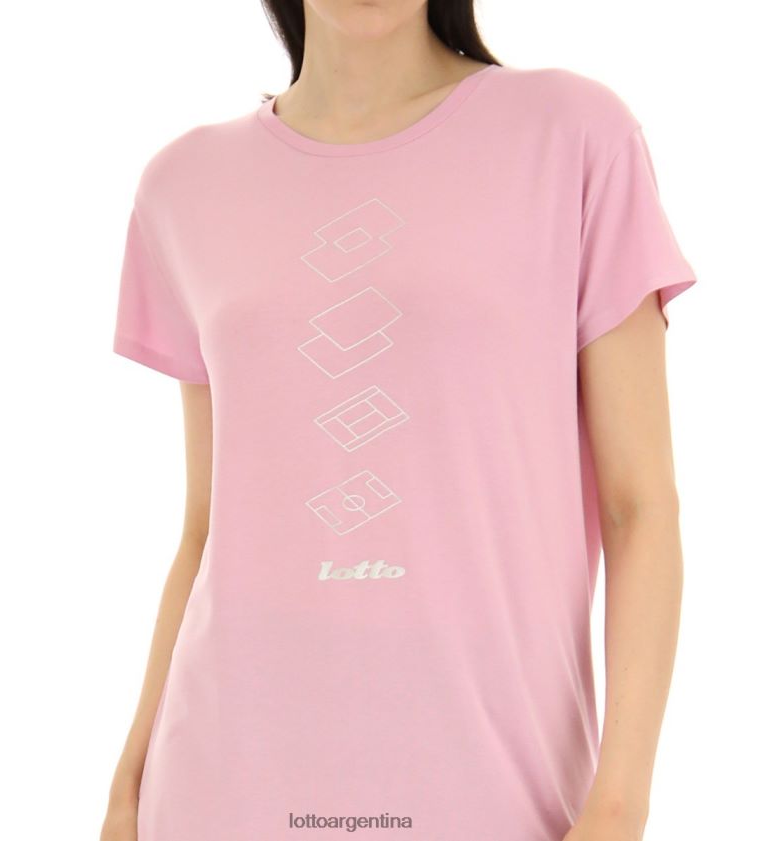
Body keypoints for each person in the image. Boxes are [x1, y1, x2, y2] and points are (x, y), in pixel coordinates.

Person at [101, 2, 697, 840]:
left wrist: (619, 807)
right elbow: (206, 528)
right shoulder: (184, 184)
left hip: (495, 795)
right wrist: (128, 783)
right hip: (219, 790)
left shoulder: (572, 136)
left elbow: (639, 507)